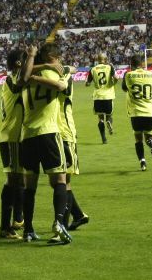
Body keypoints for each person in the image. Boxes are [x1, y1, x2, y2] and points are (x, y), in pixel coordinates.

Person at [18, 43, 72, 244]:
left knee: (29, 185)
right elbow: (62, 86)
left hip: (28, 135)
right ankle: (59, 225)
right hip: (49, 133)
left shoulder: (24, 79)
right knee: (60, 180)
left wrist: (34, 73)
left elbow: (23, 76)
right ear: (52, 57)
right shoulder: (53, 75)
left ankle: (28, 229)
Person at [57, 64, 89, 233]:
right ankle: (78, 215)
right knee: (58, 181)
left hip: (65, 134)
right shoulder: (62, 74)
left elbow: (70, 70)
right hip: (56, 133)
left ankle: (64, 225)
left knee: (64, 181)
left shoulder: (64, 78)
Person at [0, 49, 26, 240]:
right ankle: (5, 226)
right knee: (12, 180)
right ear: (18, 64)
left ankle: (17, 219)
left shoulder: (13, 78)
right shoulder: (12, 79)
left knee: (20, 180)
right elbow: (19, 86)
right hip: (11, 137)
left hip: (17, 137)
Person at [122, 55, 152, 171]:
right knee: (149, 135)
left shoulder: (128, 75)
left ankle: (142, 162)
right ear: (142, 63)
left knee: (138, 139)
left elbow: (124, 88)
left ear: (131, 64)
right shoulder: (150, 74)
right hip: (150, 112)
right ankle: (151, 142)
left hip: (136, 113)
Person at [86, 53, 117, 144]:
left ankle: (104, 139)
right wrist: (112, 84)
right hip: (108, 95)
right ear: (105, 59)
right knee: (109, 115)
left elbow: (88, 83)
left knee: (100, 118)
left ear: (97, 60)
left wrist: (87, 83)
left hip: (97, 96)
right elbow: (116, 78)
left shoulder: (92, 69)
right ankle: (109, 121)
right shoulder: (109, 67)